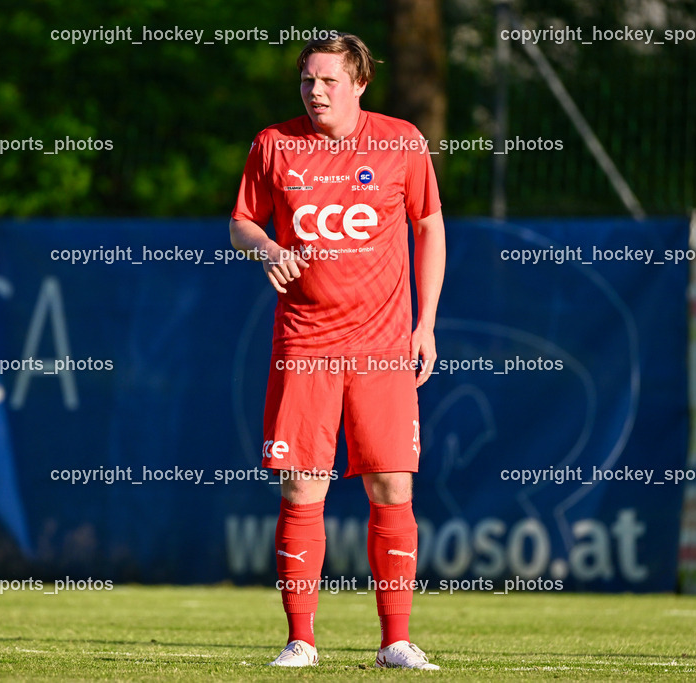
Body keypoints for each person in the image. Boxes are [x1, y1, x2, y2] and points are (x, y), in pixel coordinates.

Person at [229, 32, 446, 670]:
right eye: (307, 81)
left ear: (359, 85)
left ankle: (395, 642)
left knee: (391, 484)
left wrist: (425, 323)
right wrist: (268, 249)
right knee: (302, 488)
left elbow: (429, 225)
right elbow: (241, 221)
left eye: (328, 80)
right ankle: (301, 640)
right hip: (305, 342)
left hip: (381, 344)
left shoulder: (401, 141)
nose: (315, 91)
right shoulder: (275, 143)